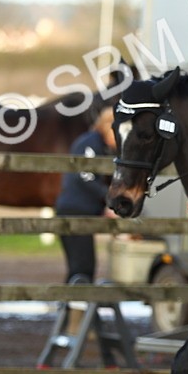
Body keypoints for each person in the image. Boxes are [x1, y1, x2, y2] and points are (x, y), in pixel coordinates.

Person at [54, 107, 116, 282]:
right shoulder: (91, 143)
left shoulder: (100, 146)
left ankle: (73, 306)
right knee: (82, 267)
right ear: (107, 126)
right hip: (74, 211)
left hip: (81, 211)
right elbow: (85, 176)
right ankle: (75, 306)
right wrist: (109, 199)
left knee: (82, 266)